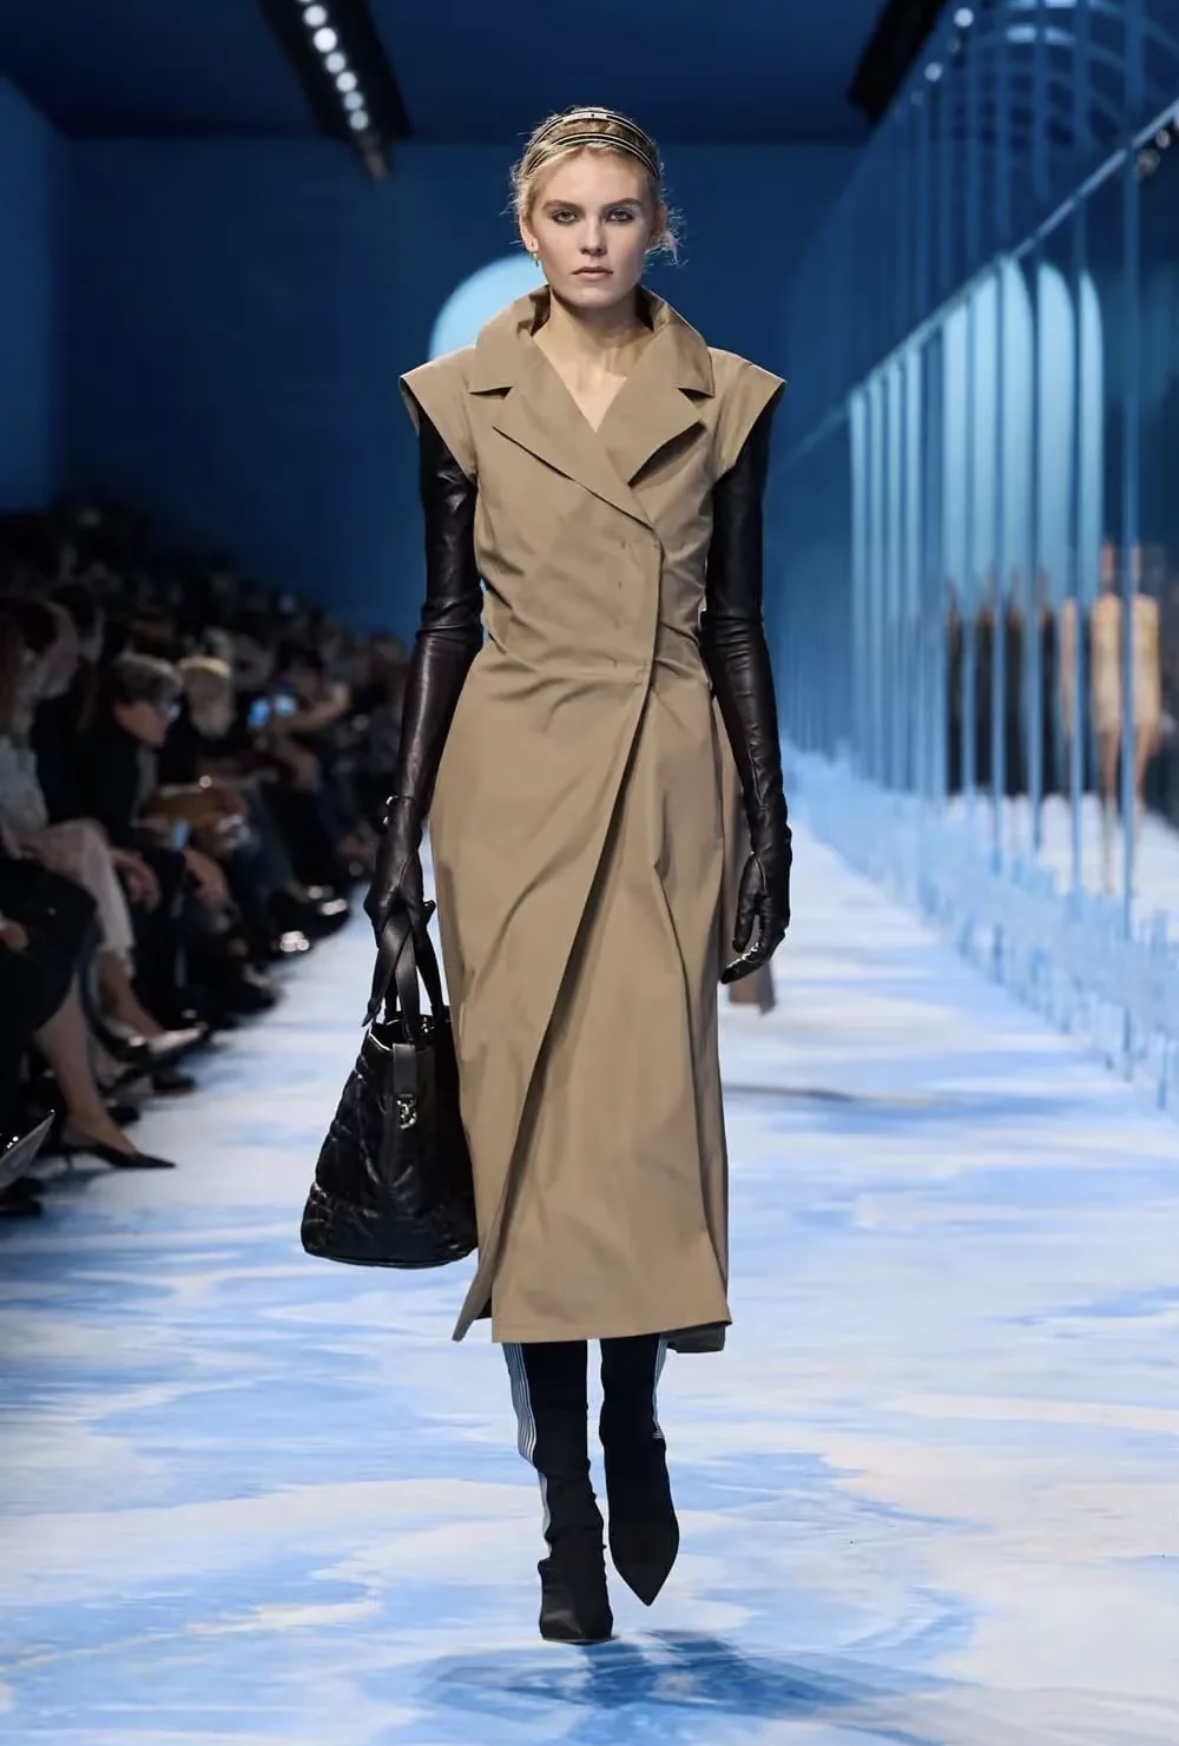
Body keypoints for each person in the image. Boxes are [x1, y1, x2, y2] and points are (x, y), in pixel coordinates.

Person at [364, 106, 791, 1644]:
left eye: (620, 213)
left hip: (669, 777)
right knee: (532, 1151)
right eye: (567, 214)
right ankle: (563, 1506)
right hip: (510, 788)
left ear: (659, 225)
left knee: (642, 1139)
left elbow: (734, 619)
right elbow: (444, 618)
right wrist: (398, 830)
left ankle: (634, 1424)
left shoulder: (728, 397)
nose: (594, 239)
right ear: (527, 226)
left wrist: (772, 820)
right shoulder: (456, 399)